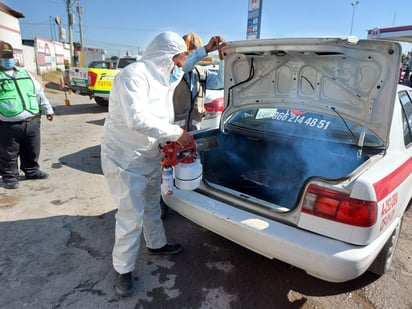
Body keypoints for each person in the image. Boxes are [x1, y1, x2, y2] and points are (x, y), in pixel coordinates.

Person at [101, 31, 201, 297]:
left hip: (148, 153)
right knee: (130, 216)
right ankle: (122, 270)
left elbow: (184, 68)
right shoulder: (133, 75)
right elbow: (137, 119)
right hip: (124, 156)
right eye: (177, 60)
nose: (179, 66)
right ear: (165, 56)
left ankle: (156, 244)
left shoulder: (162, 75)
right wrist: (177, 134)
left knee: (150, 205)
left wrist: (206, 51)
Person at [0, 41, 54, 190]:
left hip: (32, 121)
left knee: (32, 149)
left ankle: (32, 171)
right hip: (7, 124)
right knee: (8, 152)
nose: (8, 59)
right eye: (3, 56)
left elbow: (38, 93)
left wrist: (47, 109)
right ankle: (10, 177)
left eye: (9, 56)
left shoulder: (25, 73)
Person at [173, 33, 226, 131]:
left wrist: (222, 59)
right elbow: (184, 66)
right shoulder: (174, 72)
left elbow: (220, 82)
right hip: (173, 135)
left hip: (194, 134)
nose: (190, 58)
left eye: (192, 54)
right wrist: (205, 50)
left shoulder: (201, 72)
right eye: (188, 54)